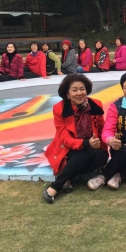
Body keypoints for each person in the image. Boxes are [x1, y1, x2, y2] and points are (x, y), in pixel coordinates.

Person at [43, 74, 109, 203]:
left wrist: (104, 145)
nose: (79, 93)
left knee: (102, 156)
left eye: (82, 89)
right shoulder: (59, 108)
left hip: (91, 147)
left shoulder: (96, 104)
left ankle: (68, 175)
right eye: (74, 90)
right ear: (67, 93)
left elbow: (102, 129)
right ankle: (56, 186)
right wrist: (86, 143)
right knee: (83, 155)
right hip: (68, 149)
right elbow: (65, 138)